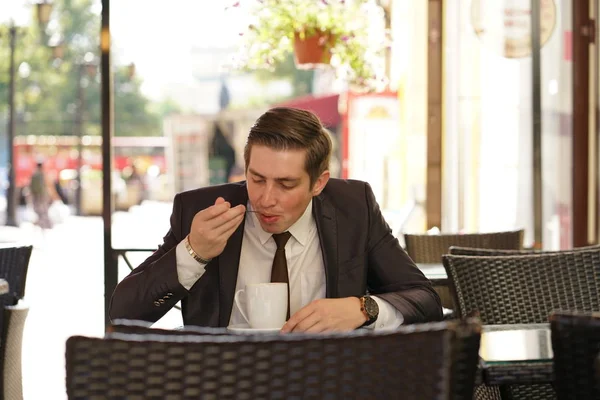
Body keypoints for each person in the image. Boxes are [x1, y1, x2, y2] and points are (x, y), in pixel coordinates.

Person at [110, 108, 442, 332]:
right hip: (221, 384)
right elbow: (124, 313)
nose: (266, 198)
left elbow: (424, 300)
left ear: (319, 183)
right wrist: (194, 251)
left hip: (327, 382)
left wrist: (363, 309)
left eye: (286, 184)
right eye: (256, 179)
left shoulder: (352, 207)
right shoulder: (201, 210)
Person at [29, 161, 54, 230]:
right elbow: (48, 185)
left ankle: (41, 222)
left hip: (36, 195)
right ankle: (43, 223)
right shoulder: (43, 174)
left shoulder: (34, 174)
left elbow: (31, 186)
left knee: (38, 209)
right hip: (43, 195)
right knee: (43, 209)